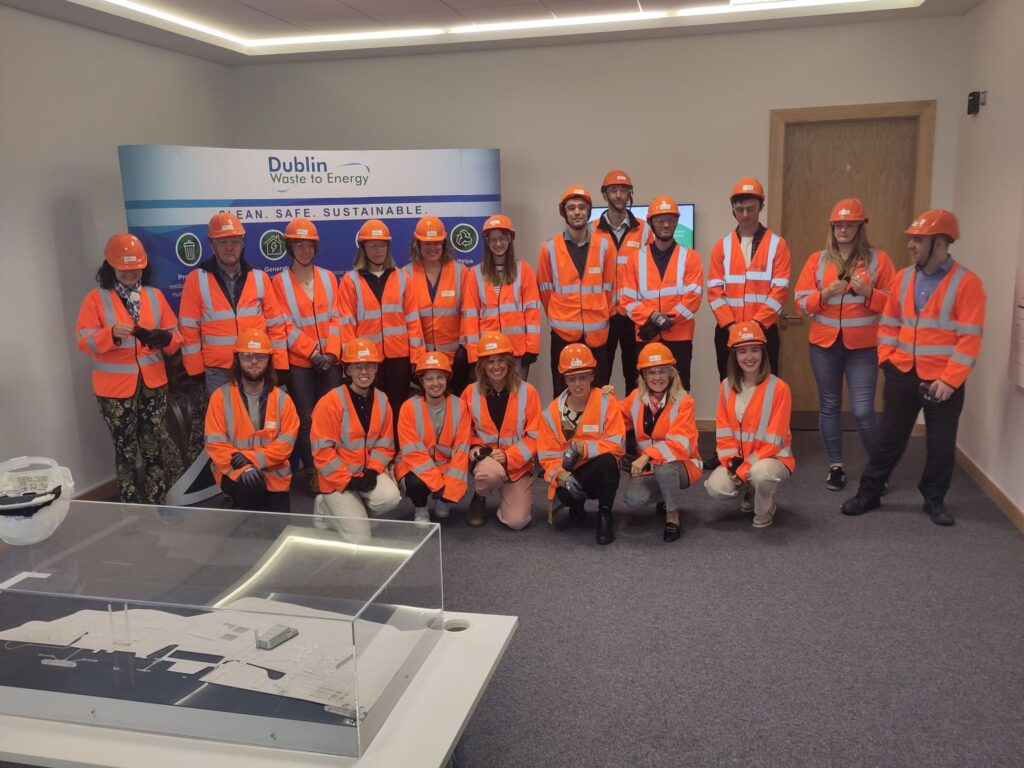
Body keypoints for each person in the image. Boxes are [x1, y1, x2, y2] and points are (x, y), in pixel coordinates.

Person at [841, 210, 986, 526]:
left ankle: (934, 499)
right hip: (902, 373)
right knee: (888, 439)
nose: (910, 245)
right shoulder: (904, 278)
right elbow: (889, 323)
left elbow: (969, 339)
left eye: (918, 239)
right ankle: (870, 493)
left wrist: (951, 379)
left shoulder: (967, 283)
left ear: (940, 243)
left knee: (941, 443)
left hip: (943, 381)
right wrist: (887, 360)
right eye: (912, 238)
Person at [794, 199, 896, 491]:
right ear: (832, 227)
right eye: (838, 224)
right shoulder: (818, 260)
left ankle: (878, 470)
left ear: (860, 227)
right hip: (824, 346)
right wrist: (823, 295)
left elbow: (894, 304)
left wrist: (869, 294)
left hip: (863, 348)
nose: (842, 229)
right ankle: (835, 465)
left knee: (863, 411)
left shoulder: (879, 260)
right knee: (829, 407)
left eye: (849, 224)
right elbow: (800, 303)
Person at [75, 234, 181, 504]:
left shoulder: (154, 296)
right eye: (124, 268)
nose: (131, 272)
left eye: (136, 268)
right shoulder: (95, 299)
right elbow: (83, 340)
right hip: (114, 391)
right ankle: (129, 503)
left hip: (153, 385)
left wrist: (166, 339)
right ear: (110, 266)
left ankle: (158, 500)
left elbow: (176, 334)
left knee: (153, 444)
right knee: (125, 449)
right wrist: (109, 334)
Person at [178, 212, 288, 467]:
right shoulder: (198, 280)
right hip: (219, 372)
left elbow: (276, 326)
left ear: (243, 243)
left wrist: (280, 366)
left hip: (256, 367)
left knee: (258, 427)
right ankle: (231, 482)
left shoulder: (260, 278)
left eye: (235, 240)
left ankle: (262, 478)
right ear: (211, 244)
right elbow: (189, 328)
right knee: (225, 431)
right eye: (223, 241)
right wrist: (195, 370)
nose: (230, 247)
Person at [272, 217, 342, 496]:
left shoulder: (328, 277)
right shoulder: (278, 282)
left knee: (334, 416)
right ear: (290, 247)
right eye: (299, 245)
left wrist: (332, 353)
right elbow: (283, 323)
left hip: (331, 361)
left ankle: (333, 465)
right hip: (301, 363)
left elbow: (338, 317)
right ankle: (313, 470)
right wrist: (312, 353)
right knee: (306, 419)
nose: (305, 251)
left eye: (309, 245)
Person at [705, 322, 795, 528]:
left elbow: (774, 441)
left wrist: (744, 468)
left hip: (773, 458)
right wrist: (730, 462)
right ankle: (750, 490)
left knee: (761, 474)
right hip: (740, 459)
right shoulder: (726, 386)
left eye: (755, 350)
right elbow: (724, 433)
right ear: (734, 356)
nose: (749, 357)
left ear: (763, 353)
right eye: (742, 351)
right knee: (716, 488)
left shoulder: (779, 388)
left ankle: (766, 506)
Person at [311, 337, 402, 530]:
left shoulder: (382, 400)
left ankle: (355, 512)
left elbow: (385, 445)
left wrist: (372, 470)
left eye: (369, 366)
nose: (364, 372)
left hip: (366, 473)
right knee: (359, 538)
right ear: (348, 370)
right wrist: (347, 480)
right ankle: (324, 506)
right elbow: (322, 453)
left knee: (391, 498)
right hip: (337, 480)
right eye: (357, 366)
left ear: (376, 369)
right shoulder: (330, 402)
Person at [538, 344, 625, 545]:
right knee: (566, 494)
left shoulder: (606, 402)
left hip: (598, 470)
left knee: (608, 462)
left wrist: (581, 448)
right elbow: (546, 456)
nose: (577, 383)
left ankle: (605, 515)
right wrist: (562, 477)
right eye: (571, 378)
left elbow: (617, 444)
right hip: (569, 474)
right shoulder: (551, 412)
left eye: (583, 377)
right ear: (564, 380)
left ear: (592, 377)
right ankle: (576, 505)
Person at [204, 329, 298, 512]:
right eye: (247, 356)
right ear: (237, 359)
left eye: (260, 357)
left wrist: (252, 458)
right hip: (234, 472)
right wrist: (245, 468)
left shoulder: (283, 400)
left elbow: (285, 445)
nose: (254, 362)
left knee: (277, 530)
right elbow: (216, 444)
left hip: (274, 476)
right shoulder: (220, 397)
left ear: (269, 360)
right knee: (251, 488)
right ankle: (239, 510)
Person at [337, 219, 424, 416]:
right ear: (363, 248)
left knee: (399, 410)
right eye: (373, 245)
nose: (378, 250)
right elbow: (346, 324)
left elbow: (413, 321)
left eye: (383, 245)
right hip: (366, 361)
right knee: (371, 411)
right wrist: (351, 362)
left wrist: (417, 356)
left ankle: (400, 448)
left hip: (399, 359)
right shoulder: (350, 281)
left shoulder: (402, 278)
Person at [707, 178, 791, 378]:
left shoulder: (777, 245)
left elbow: (779, 291)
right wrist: (731, 326)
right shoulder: (722, 246)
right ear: (733, 209)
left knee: (766, 387)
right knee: (729, 386)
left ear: (761, 207)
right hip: (728, 331)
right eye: (739, 209)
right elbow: (714, 292)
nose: (744, 215)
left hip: (764, 331)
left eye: (750, 209)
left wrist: (756, 325)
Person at [619, 343, 703, 542]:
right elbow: (614, 420)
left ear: (671, 373)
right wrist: (603, 398)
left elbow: (680, 443)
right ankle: (666, 494)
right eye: (651, 372)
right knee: (634, 499)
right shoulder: (635, 398)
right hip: (649, 468)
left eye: (662, 371)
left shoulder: (684, 401)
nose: (657, 377)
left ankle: (672, 516)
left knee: (664, 465)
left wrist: (646, 456)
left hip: (683, 465)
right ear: (643, 376)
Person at [619, 195, 704, 391]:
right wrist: (654, 317)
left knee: (679, 389)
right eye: (660, 220)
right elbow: (627, 300)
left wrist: (664, 322)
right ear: (650, 223)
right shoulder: (635, 259)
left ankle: (677, 423)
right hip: (646, 335)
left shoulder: (691, 258)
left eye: (671, 219)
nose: (666, 224)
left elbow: (693, 298)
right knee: (646, 391)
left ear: (676, 222)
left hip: (679, 337)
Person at [537, 185, 616, 393]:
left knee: (598, 392)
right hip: (563, 334)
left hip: (597, 335)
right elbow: (545, 292)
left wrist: (597, 314)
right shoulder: (549, 248)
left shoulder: (605, 246)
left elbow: (610, 289)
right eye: (571, 208)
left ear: (589, 211)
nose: (577, 212)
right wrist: (560, 317)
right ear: (564, 213)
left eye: (582, 207)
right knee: (563, 391)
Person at [462, 332, 541, 529]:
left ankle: (505, 494)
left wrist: (508, 456)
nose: (496, 366)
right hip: (486, 461)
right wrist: (475, 448)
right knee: (488, 474)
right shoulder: (469, 393)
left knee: (517, 522)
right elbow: (464, 431)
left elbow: (535, 436)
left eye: (500, 361)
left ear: (509, 363)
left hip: (517, 464)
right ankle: (480, 495)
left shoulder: (528, 392)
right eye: (490, 362)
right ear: (482, 366)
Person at [460, 214, 541, 379]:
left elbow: (532, 312)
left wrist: (532, 348)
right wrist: (474, 352)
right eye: (493, 239)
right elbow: (470, 316)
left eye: (502, 238)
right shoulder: (475, 273)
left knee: (517, 399)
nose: (498, 244)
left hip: (516, 350)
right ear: (487, 242)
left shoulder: (523, 269)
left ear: (510, 239)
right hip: (487, 352)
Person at [395, 351, 471, 522]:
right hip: (414, 465)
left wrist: (452, 488)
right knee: (416, 483)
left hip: (446, 465)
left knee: (456, 482)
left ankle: (442, 502)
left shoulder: (460, 406)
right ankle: (420, 507)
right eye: (429, 378)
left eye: (440, 377)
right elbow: (413, 452)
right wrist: (437, 484)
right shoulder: (408, 408)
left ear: (447, 378)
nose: (435, 383)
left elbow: (462, 448)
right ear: (421, 381)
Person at [593, 169, 649, 390]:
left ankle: (632, 423)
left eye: (623, 190)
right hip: (602, 315)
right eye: (613, 190)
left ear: (630, 194)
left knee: (635, 375)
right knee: (599, 375)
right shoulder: (591, 230)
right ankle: (600, 422)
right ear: (604, 195)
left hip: (633, 316)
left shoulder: (645, 230)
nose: (618, 195)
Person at [406, 216, 470, 394]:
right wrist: (416, 356)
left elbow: (469, 314)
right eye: (427, 243)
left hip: (455, 358)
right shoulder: (406, 274)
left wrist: (464, 349)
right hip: (422, 358)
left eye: (437, 243)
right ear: (417, 244)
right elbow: (406, 321)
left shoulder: (460, 271)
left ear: (444, 243)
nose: (432, 248)